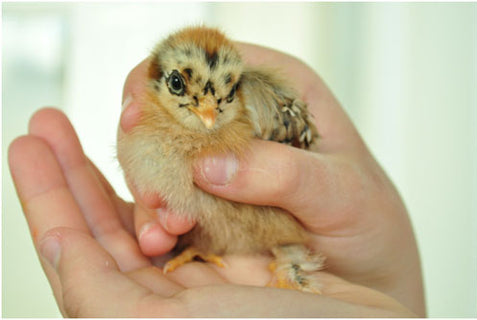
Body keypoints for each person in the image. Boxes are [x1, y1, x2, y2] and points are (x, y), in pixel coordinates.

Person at [8, 42, 425, 317]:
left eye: (223, 90)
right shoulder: (150, 127)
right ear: (159, 85)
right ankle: (202, 247)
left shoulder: (250, 113)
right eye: (181, 86)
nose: (206, 108)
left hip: (283, 247)